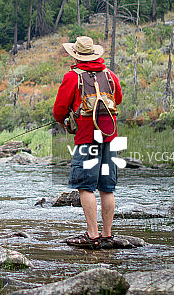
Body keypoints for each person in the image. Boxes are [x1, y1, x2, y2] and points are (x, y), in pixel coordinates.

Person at [53, 36, 122, 250]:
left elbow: (58, 110)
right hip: (109, 137)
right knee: (107, 188)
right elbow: (117, 99)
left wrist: (65, 119)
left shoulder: (72, 77)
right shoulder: (110, 75)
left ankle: (92, 235)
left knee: (85, 187)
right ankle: (107, 235)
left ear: (76, 55)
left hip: (86, 138)